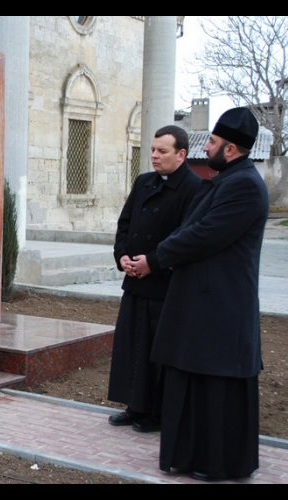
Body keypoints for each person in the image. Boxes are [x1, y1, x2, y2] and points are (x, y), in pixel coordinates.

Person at [130, 107, 268, 481]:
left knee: (216, 387)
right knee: (195, 382)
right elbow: (191, 228)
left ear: (233, 149)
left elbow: (204, 234)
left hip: (220, 307)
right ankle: (193, 456)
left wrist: (157, 259)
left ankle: (217, 462)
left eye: (213, 142)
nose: (205, 148)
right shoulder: (225, 180)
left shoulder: (243, 185)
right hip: (203, 305)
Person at [107, 126, 201, 432]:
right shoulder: (144, 182)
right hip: (135, 280)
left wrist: (153, 263)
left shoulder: (194, 188)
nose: (154, 156)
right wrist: (122, 256)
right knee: (132, 346)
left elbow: (186, 235)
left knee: (157, 350)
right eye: (152, 150)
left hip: (164, 285)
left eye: (162, 151)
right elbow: (126, 222)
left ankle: (157, 412)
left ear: (181, 154)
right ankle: (134, 406)